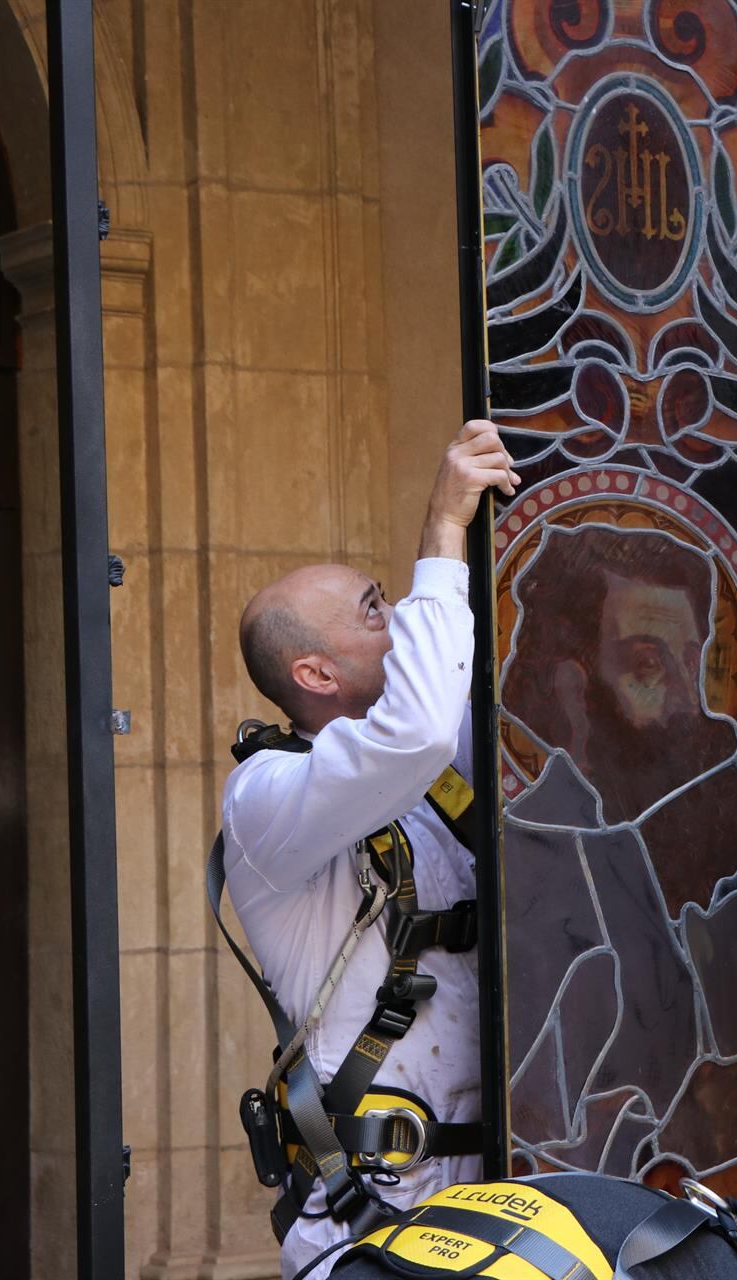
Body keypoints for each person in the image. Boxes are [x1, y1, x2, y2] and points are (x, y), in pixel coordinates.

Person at [219, 419, 518, 1278]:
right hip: (380, 1223)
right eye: (374, 610)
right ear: (315, 676)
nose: (397, 617)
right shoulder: (267, 801)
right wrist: (441, 532)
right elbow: (415, 729)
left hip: (514, 1182)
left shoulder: (431, 764)